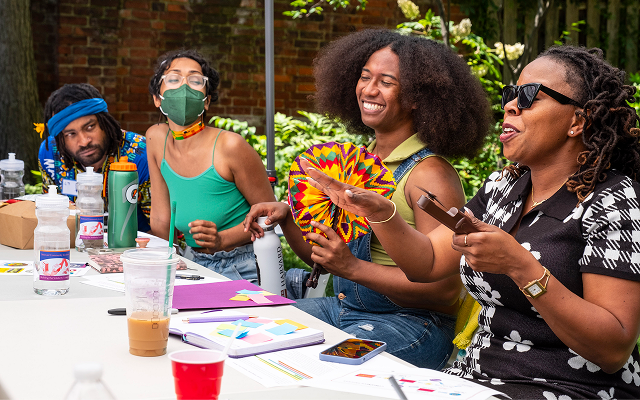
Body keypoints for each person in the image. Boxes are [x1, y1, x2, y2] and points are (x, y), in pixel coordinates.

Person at [295, 45, 640, 399]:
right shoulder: (504, 188)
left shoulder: (612, 201)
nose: (509, 105)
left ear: (577, 121)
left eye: (529, 96)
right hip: (474, 378)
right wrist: (380, 213)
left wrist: (521, 267)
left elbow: (612, 350)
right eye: (510, 94)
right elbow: (427, 262)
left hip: (570, 386)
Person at [244, 29, 491, 369]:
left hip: (412, 324)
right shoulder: (358, 164)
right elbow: (323, 259)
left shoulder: (429, 175)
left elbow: (444, 294)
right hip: (344, 309)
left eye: (386, 82)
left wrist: (354, 268)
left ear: (417, 97)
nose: (369, 90)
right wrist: (287, 219)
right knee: (253, 335)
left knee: (315, 367)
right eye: (364, 77)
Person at [146, 49, 275, 282]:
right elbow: (161, 220)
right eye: (173, 79)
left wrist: (221, 240)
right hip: (188, 262)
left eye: (195, 80)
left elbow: (270, 217)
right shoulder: (156, 139)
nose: (183, 87)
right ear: (157, 98)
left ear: (206, 101)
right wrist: (154, 249)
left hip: (241, 266)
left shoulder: (230, 146)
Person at [38, 83, 151, 232]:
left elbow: (163, 232)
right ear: (60, 139)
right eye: (71, 134)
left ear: (104, 120)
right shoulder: (51, 155)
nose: (84, 141)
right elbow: (52, 219)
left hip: (135, 249)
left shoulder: (141, 155)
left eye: (90, 127)